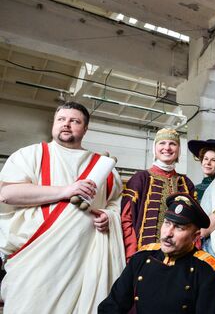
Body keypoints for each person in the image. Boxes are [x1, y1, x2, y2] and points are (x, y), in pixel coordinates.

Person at [0, 102, 125, 313]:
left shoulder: (103, 167)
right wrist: (66, 190)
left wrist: (107, 216)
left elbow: (115, 204)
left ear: (85, 129)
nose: (66, 124)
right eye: (61, 119)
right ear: (54, 125)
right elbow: (7, 194)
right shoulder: (30, 155)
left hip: (85, 261)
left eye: (75, 121)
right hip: (36, 258)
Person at [99, 192, 215, 313]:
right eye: (167, 223)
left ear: (195, 236)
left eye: (179, 228)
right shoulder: (142, 258)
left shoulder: (207, 271)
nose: (168, 233)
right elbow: (112, 306)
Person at [120, 128, 196, 259]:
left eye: (173, 144)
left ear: (179, 150)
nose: (167, 147)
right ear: (155, 148)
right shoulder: (140, 178)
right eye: (162, 143)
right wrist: (132, 255)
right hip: (145, 254)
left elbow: (194, 224)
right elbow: (126, 219)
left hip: (181, 255)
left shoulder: (186, 182)